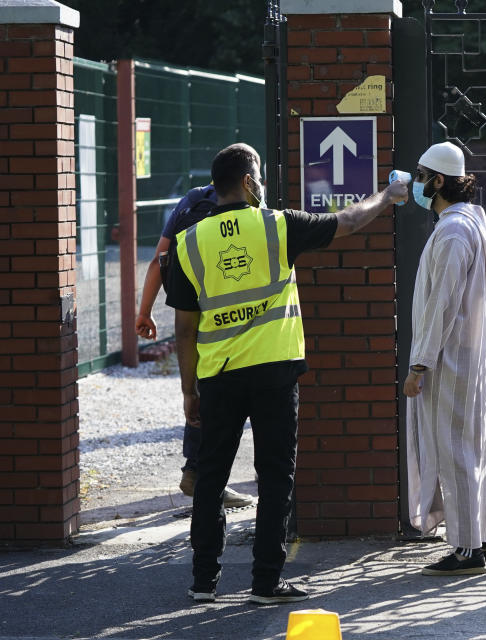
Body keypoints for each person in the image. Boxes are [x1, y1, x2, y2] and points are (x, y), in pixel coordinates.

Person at [165, 143, 408, 603]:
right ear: (248, 182)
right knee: (275, 475)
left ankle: (202, 583)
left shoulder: (188, 241)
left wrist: (187, 389)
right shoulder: (276, 225)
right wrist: (388, 194)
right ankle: (266, 582)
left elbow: (183, 326)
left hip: (219, 375)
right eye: (259, 177)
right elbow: (350, 221)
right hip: (274, 373)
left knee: (211, 477)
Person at [403, 142, 486, 576]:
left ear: (438, 181)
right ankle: (482, 539)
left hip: (449, 359)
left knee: (455, 451)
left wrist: (419, 364)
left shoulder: (451, 232)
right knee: (476, 449)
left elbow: (440, 305)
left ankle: (466, 550)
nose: (417, 185)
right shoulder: (472, 224)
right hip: (471, 355)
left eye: (422, 177)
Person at [134, 184, 253, 508]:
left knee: (199, 393)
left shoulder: (190, 201)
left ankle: (194, 469)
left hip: (192, 314)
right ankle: (207, 478)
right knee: (239, 398)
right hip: (232, 319)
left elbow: (160, 258)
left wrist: (144, 312)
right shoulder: (249, 203)